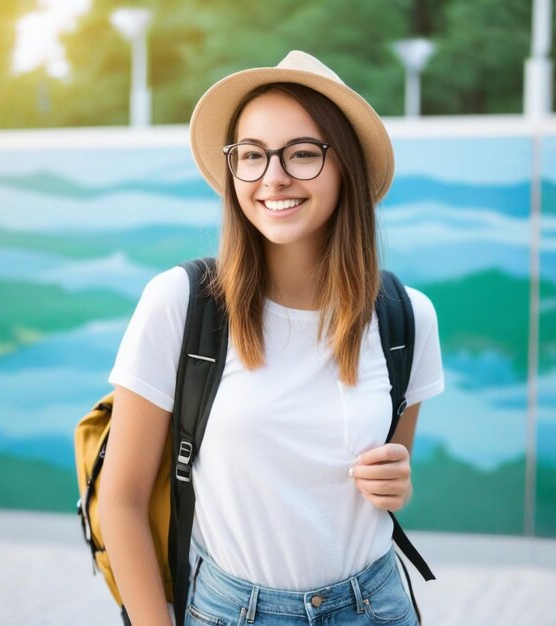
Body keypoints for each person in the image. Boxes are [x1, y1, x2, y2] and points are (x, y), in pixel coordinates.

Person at [99, 50, 444, 626]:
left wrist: (396, 479)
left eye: (303, 154)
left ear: (346, 168)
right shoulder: (180, 304)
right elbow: (122, 500)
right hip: (232, 610)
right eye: (252, 156)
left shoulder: (407, 317)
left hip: (377, 605)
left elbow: (386, 476)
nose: (273, 177)